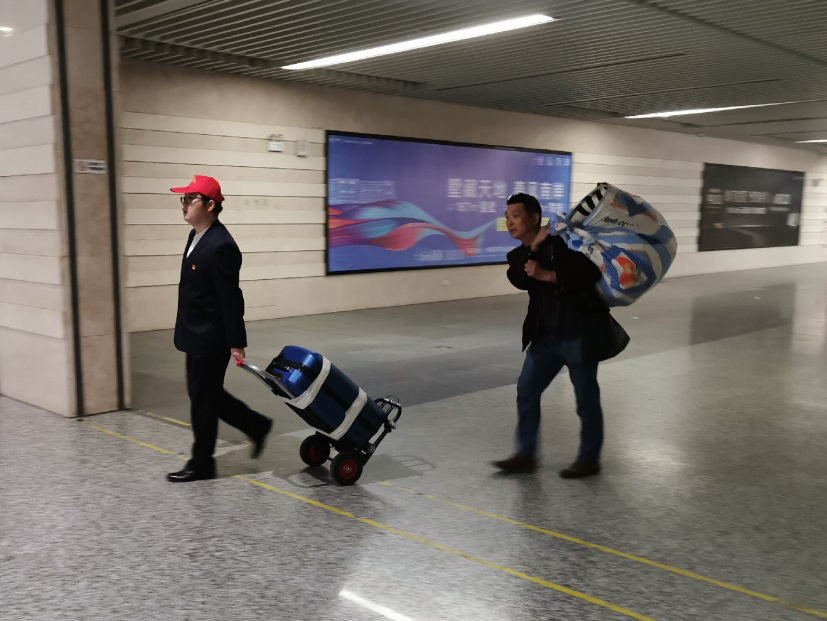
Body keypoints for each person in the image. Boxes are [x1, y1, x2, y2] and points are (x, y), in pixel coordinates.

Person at [493, 193, 629, 478]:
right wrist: (533, 249)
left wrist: (547, 274)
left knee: (585, 397)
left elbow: (589, 272)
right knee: (526, 390)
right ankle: (526, 455)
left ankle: (589, 459)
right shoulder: (518, 255)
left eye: (515, 216)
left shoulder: (564, 243)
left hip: (577, 333)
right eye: (506, 217)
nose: (509, 222)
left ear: (534, 218)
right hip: (545, 337)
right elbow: (519, 278)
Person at [166, 175, 273, 482]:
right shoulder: (197, 236)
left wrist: (236, 342)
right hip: (194, 331)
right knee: (205, 394)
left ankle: (202, 463)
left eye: (191, 199)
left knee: (202, 399)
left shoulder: (222, 246)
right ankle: (255, 425)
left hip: (211, 336)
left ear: (210, 205)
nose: (184, 205)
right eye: (183, 199)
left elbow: (231, 298)